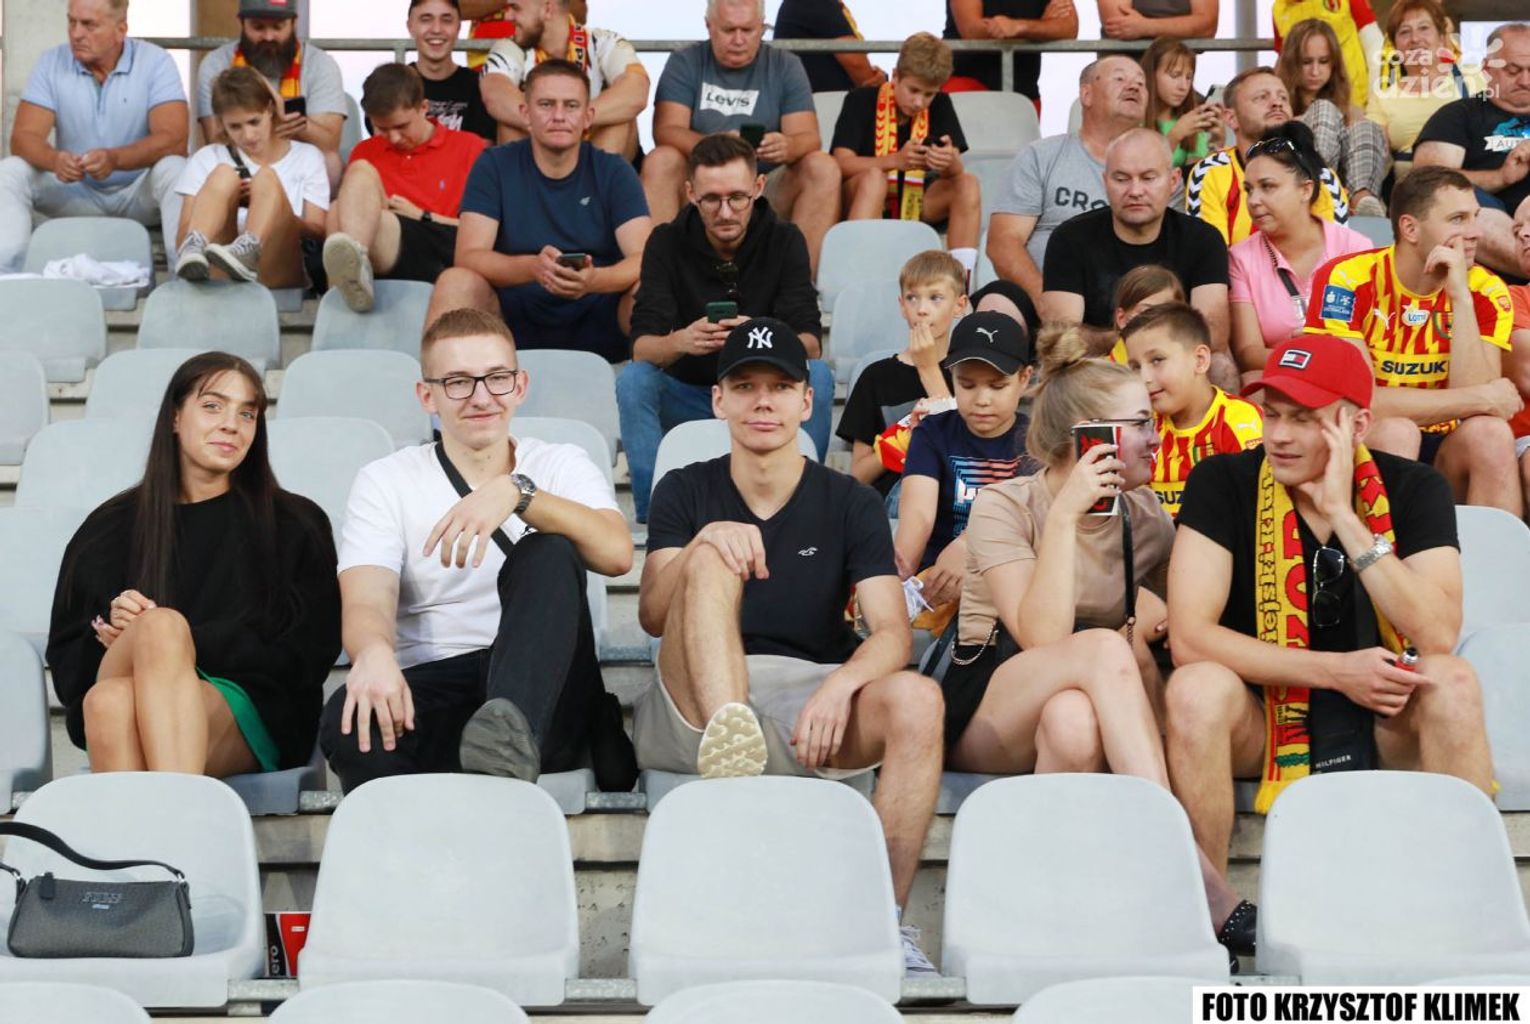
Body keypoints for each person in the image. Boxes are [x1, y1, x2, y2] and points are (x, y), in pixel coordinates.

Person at [634, 316, 944, 975]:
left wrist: (841, 685)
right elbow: (654, 616)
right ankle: (733, 736)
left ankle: (884, 922)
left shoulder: (850, 500)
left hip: (809, 697)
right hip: (695, 701)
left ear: (807, 401)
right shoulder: (685, 486)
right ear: (718, 400)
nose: (763, 402)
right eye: (744, 386)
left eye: (779, 387)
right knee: (713, 553)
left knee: (919, 700)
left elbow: (893, 632)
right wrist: (703, 544)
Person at [935, 326, 1252, 959]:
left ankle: (1049, 917)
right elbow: (1041, 637)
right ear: (1090, 439)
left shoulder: (1144, 514)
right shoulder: (1004, 505)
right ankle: (1193, 875)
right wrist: (1064, 517)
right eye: (1139, 424)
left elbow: (1192, 614)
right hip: (986, 702)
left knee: (1074, 722)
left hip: (1076, 710)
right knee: (1104, 648)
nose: (1156, 435)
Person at [1165, 334, 1492, 891]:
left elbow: (1436, 634)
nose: (1279, 435)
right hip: (1264, 716)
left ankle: (1465, 901)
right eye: (1271, 414)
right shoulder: (1221, 481)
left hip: (1385, 714)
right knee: (1196, 689)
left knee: (1453, 681)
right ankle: (1210, 908)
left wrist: (1345, 517)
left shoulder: (1415, 486)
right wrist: (1338, 672)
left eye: (1303, 419)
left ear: (1357, 425)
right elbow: (1190, 639)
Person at [321, 307, 636, 791]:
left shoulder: (559, 464)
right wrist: (372, 653)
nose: (482, 397)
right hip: (440, 679)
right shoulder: (387, 479)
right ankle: (430, 817)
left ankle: (507, 741)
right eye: (458, 382)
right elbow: (367, 597)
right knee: (350, 717)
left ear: (520, 385)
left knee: (548, 550)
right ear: (427, 395)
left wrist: (520, 493)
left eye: (497, 378)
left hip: (549, 691)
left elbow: (617, 554)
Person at [47, 352, 340, 777]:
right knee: (111, 693)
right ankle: (181, 812)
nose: (231, 425)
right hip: (119, 696)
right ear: (174, 417)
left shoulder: (296, 522)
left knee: (153, 638)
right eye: (212, 406)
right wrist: (122, 634)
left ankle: (150, 816)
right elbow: (70, 666)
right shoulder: (108, 527)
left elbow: (306, 651)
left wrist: (175, 640)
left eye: (247, 413)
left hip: (250, 708)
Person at [620, 133, 831, 522]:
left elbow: (810, 343)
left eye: (737, 198)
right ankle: (656, 517)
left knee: (817, 375)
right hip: (686, 392)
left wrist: (761, 338)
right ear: (690, 194)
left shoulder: (785, 239)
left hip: (758, 393)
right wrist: (682, 340)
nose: (726, 212)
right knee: (634, 381)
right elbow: (641, 347)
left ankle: (802, 505)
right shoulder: (666, 241)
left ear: (758, 187)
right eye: (711, 200)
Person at [1305, 165, 1522, 516]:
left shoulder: (1484, 289)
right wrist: (1481, 397)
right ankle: (1386, 548)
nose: (1476, 233)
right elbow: (1362, 403)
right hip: (1367, 442)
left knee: (1491, 434)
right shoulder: (1347, 279)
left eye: (1476, 217)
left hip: (1446, 448)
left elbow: (1480, 410)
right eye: (1458, 219)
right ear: (1410, 228)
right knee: (1398, 432)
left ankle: (1490, 553)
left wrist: (1460, 298)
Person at [428, 60, 652, 364]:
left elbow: (644, 259)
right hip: (511, 319)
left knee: (650, 289)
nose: (559, 116)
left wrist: (594, 279)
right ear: (525, 114)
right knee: (456, 282)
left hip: (601, 312)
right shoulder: (494, 165)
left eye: (571, 106)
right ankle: (438, 389)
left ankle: (665, 389)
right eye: (546, 104)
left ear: (588, 116)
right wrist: (533, 268)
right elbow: (468, 256)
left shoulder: (614, 170)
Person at [642, 0, 840, 273]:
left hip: (763, 187)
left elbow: (809, 138)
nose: (738, 40)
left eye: (747, 30)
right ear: (709, 26)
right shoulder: (686, 61)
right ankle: (657, 277)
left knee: (822, 166)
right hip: (700, 186)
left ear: (762, 28)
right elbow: (665, 131)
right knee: (661, 159)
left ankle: (800, 282)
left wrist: (788, 146)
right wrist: (719, 147)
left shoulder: (785, 64)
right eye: (728, 30)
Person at [0, 0, 188, 272]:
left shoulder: (156, 62)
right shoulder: (51, 61)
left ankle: (183, 281)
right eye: (72, 22)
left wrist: (115, 159)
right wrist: (55, 160)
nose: (76, 34)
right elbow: (22, 138)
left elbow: (174, 139)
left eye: (89, 25)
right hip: (75, 192)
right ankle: (7, 280)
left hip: (137, 194)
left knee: (176, 169)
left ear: (120, 30)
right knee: (10, 171)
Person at [1040, 128, 1236, 390]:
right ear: (1105, 181)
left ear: (1174, 181)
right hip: (1097, 369)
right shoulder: (1070, 238)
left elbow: (1214, 334)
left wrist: (1144, 342)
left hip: (1173, 367)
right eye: (1122, 179)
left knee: (1220, 366)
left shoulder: (1203, 239)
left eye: (1148, 178)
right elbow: (1062, 335)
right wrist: (1138, 341)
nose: (1135, 191)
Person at [892, 311, 1037, 625]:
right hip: (936, 582)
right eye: (967, 385)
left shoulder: (1037, 440)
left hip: (1010, 578)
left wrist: (969, 544)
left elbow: (1024, 516)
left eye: (997, 386)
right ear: (951, 376)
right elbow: (918, 515)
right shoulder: (933, 432)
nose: (982, 399)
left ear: (1025, 378)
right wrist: (900, 575)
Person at [987, 56, 1148, 311]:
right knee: (995, 303)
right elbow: (1003, 243)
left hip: (1128, 309)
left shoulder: (1158, 170)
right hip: (1040, 303)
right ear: (1087, 94)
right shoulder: (1041, 156)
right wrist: (1048, 302)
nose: (1134, 86)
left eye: (1141, 83)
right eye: (1120, 78)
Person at [323, 63, 487, 312]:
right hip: (386, 246)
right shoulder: (366, 150)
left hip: (442, 244)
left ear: (424, 107)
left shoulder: (469, 147)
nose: (394, 138)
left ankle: (341, 302)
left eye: (402, 126)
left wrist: (422, 215)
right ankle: (354, 276)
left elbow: (486, 231)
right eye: (382, 129)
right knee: (345, 196)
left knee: (344, 211)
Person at [1228, 124, 1371, 379]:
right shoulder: (1240, 258)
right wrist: (1306, 357)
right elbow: (1248, 353)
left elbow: (1373, 338)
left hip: (1347, 376)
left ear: (1305, 189)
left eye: (1267, 186)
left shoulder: (1356, 249)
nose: (1253, 201)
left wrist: (1319, 354)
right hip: (1281, 380)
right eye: (1249, 190)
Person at [831, 33, 981, 276]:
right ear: (896, 75)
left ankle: (961, 280)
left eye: (929, 94)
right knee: (874, 178)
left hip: (919, 201)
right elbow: (840, 163)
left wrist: (949, 161)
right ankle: (856, 275)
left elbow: (954, 172)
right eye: (913, 90)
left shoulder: (941, 104)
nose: (919, 102)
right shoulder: (861, 99)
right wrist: (894, 161)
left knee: (967, 183)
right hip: (866, 197)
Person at [172, 68, 328, 287]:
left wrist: (269, 207)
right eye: (235, 126)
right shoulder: (206, 158)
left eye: (254, 122)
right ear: (221, 123)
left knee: (266, 178)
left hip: (280, 261)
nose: (248, 135)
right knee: (223, 174)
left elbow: (317, 232)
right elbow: (180, 237)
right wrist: (231, 202)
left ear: (270, 110)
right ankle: (197, 247)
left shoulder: (308, 156)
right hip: (220, 265)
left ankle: (249, 247)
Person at [837, 251, 969, 499]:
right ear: (902, 306)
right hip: (892, 500)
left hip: (952, 499)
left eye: (936, 298)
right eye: (912, 298)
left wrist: (928, 368)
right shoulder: (876, 377)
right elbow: (858, 475)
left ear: (959, 305)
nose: (922, 309)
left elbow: (964, 457)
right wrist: (900, 441)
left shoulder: (968, 372)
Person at [1121, 302, 1264, 518]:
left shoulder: (1240, 421)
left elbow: (1256, 510)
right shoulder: (1143, 426)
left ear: (1200, 360)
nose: (1144, 378)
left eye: (1157, 360)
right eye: (1135, 367)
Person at [1413, 23, 1530, 275]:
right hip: (1489, 221)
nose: (1525, 80)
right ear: (1487, 70)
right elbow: (1426, 182)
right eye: (1513, 70)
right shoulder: (1459, 115)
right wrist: (1501, 177)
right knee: (1457, 196)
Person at [1186, 67, 1351, 245]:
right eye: (1262, 97)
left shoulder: (1320, 175)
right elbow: (1211, 257)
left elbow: (1335, 254)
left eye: (1283, 97)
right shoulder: (1211, 172)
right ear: (1231, 118)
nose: (1277, 103)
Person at [197, 0, 347, 184]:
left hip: (298, 164)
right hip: (238, 165)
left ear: (294, 23)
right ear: (241, 23)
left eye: (277, 27)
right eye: (258, 27)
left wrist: (292, 121)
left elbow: (329, 144)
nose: (268, 36)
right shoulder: (215, 63)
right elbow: (215, 140)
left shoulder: (321, 64)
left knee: (330, 162)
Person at [482, 0, 649, 158]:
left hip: (595, 149)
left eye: (515, 8)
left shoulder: (604, 41)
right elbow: (495, 95)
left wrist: (573, 119)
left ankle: (591, 179)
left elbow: (636, 92)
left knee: (621, 117)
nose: (507, 16)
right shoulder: (508, 47)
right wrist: (556, 121)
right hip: (539, 153)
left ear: (547, 8)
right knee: (509, 123)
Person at [1276, 18, 1389, 216]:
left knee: (1366, 127)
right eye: (1306, 62)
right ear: (1292, 63)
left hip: (1345, 191)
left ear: (1334, 64)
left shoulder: (1351, 110)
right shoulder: (1277, 105)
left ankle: (1362, 199)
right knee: (1325, 108)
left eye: (1323, 61)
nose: (1315, 71)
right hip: (1298, 186)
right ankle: (1321, 188)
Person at [1366, 0, 1482, 185]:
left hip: (1477, 187)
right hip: (1412, 192)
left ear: (1442, 37)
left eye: (1424, 28)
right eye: (1404, 32)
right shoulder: (1382, 98)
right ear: (1395, 45)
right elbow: (1372, 155)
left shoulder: (1475, 78)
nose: (1415, 38)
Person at [942, 0, 1080, 104]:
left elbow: (1069, 28)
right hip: (965, 83)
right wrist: (1043, 26)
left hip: (1024, 90)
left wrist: (1019, 27)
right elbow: (972, 29)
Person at [405, 0, 498, 141]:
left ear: (458, 27)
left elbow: (484, 150)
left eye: (446, 20)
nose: (436, 29)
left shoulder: (480, 88)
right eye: (426, 20)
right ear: (410, 27)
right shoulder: (390, 86)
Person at [1272, 0, 1382, 111]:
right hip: (1303, 106)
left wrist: (1375, 102)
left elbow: (1376, 48)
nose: (1315, 71)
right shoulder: (1278, 9)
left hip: (1355, 101)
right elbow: (1283, 62)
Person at [773, 0, 887, 94]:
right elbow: (855, 63)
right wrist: (879, 89)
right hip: (823, 106)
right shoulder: (817, 3)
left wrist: (876, 78)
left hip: (814, 103)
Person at [1142, 37, 1218, 169]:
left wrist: (1216, 144)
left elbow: (1197, 174)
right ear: (1151, 75)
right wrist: (1175, 135)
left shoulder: (1191, 122)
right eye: (1175, 75)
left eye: (1189, 77)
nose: (1183, 86)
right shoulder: (1134, 123)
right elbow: (1145, 170)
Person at [1098, 0, 1217, 43]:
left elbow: (1207, 26)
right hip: (1123, 75)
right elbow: (1119, 26)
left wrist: (1146, 27)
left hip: (1177, 76)